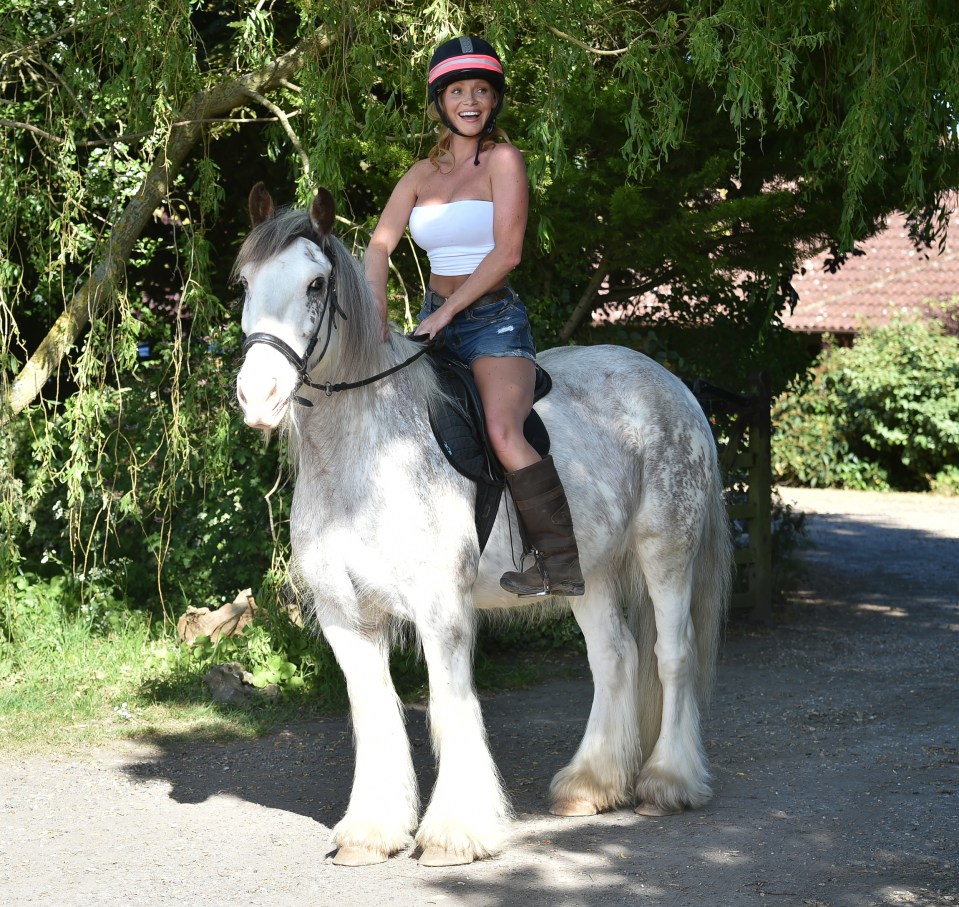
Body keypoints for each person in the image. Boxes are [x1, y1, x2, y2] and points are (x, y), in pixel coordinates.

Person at [364, 35, 584, 598]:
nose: (470, 100)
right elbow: (378, 247)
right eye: (457, 90)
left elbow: (507, 254)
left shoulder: (504, 161)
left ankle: (557, 563)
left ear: (494, 102)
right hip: (433, 316)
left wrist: (450, 313)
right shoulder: (420, 174)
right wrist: (376, 313)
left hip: (490, 320)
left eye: (481, 90)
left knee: (502, 430)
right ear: (440, 100)